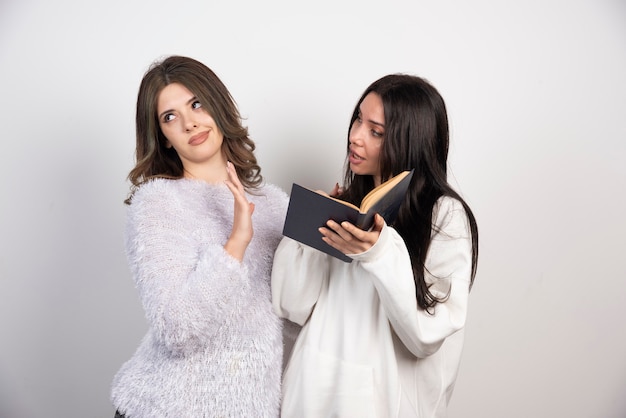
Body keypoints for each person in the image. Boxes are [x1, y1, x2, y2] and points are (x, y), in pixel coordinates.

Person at [271, 74, 479, 418]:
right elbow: (291, 306)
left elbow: (425, 336)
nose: (355, 137)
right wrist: (309, 231)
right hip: (310, 397)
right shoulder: (349, 206)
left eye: (375, 131)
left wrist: (379, 252)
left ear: (410, 141)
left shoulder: (444, 216)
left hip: (380, 405)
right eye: (358, 119)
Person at [111, 55, 289, 417]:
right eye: (170, 117)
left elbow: (299, 311)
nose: (190, 123)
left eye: (196, 103)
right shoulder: (158, 203)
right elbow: (176, 330)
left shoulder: (274, 205)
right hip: (167, 408)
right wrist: (236, 243)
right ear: (163, 137)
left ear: (217, 104)